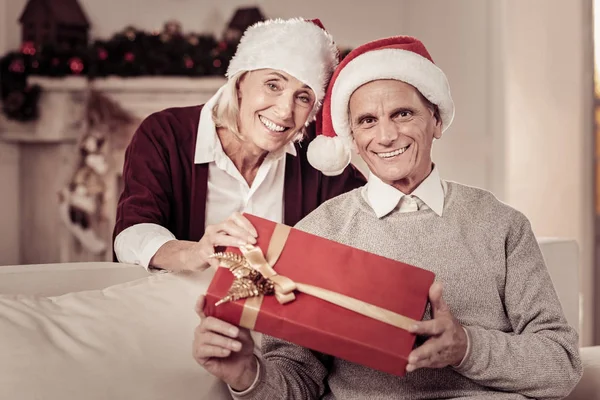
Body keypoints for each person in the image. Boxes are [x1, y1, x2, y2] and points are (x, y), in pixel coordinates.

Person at [192, 36, 583, 399]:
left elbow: (561, 364)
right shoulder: (319, 232)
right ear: (353, 140)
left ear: (437, 121)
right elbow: (297, 379)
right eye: (367, 121)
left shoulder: (501, 225)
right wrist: (247, 374)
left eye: (402, 114)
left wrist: (466, 347)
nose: (386, 136)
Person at [112, 18, 365, 272]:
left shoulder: (317, 158)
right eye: (273, 85)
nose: (284, 111)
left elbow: (368, 217)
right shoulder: (164, 134)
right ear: (241, 81)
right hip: (174, 302)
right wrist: (194, 253)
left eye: (302, 97)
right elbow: (131, 235)